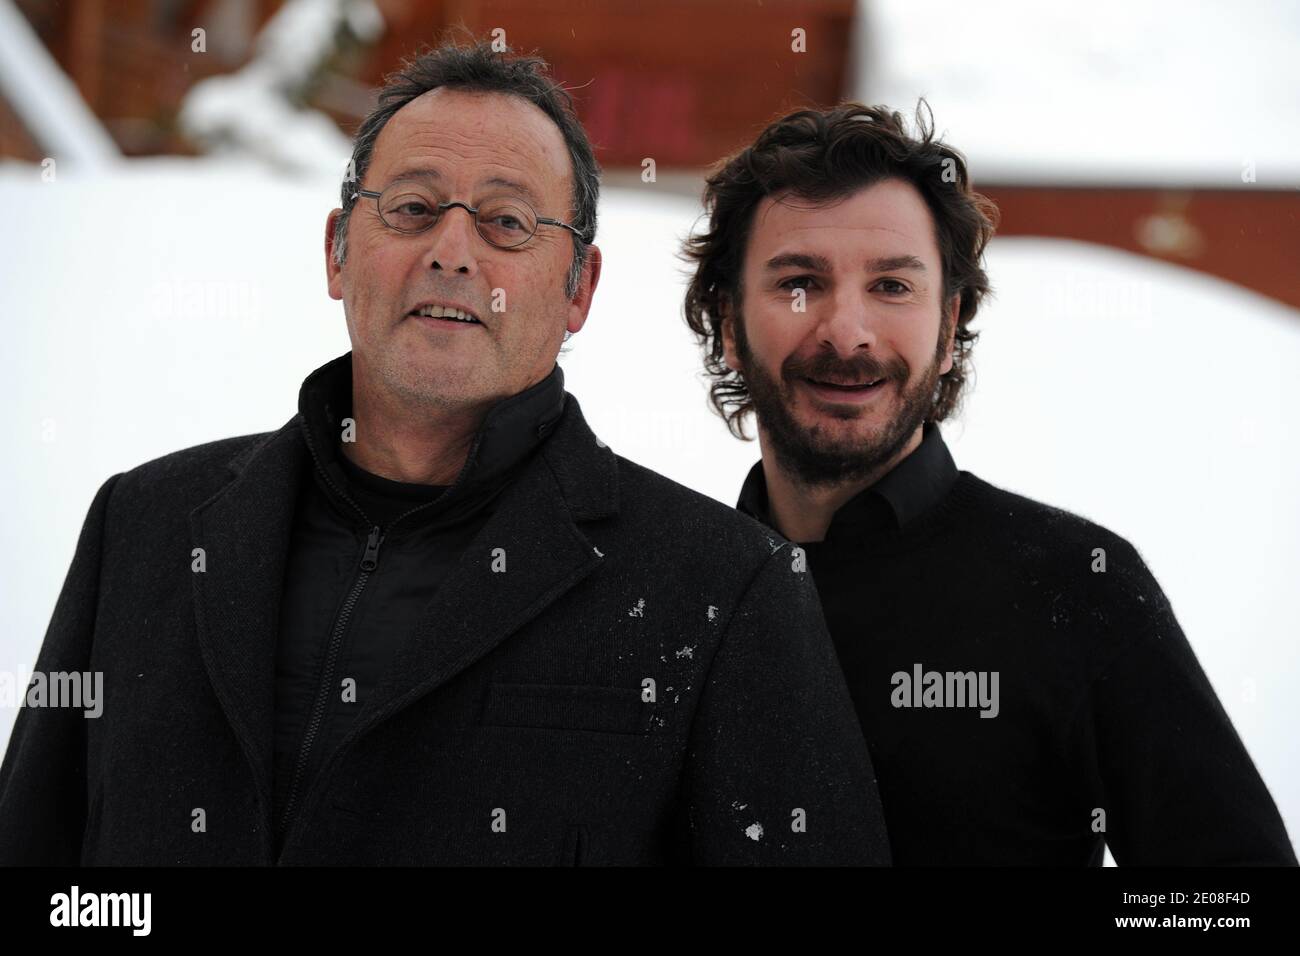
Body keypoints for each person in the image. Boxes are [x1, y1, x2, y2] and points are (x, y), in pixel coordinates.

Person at [0, 42, 889, 866]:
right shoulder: (144, 526)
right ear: (339, 251)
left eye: (507, 223)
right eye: (414, 208)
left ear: (579, 288)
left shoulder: (723, 591)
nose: (452, 253)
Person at [683, 100, 1296, 865]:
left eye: (894, 287)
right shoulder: (675, 592)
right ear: (729, 322)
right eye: (800, 282)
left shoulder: (1076, 586)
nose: (847, 332)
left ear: (951, 324)